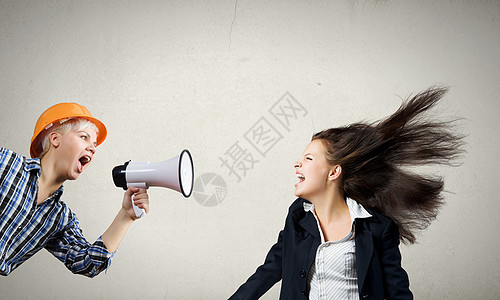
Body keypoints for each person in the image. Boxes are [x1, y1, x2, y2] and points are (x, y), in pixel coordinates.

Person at [230, 87, 465, 299]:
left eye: (308, 159)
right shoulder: (298, 217)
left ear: (334, 172)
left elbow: (398, 292)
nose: (297, 164)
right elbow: (270, 269)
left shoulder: (377, 227)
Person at [0, 102, 150, 277]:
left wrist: (126, 216)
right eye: (84, 137)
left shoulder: (60, 219)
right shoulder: (5, 162)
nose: (93, 148)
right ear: (55, 139)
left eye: (95, 144)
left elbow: (86, 263)